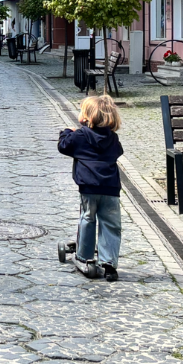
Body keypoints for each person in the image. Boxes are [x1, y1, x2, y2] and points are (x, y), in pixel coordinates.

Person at [57, 95, 124, 282]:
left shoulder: (80, 136)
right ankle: (109, 264)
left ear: (87, 118)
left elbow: (63, 146)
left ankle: (84, 256)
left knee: (87, 218)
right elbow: (118, 152)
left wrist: (66, 132)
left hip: (88, 187)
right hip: (110, 188)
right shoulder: (112, 138)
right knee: (111, 224)